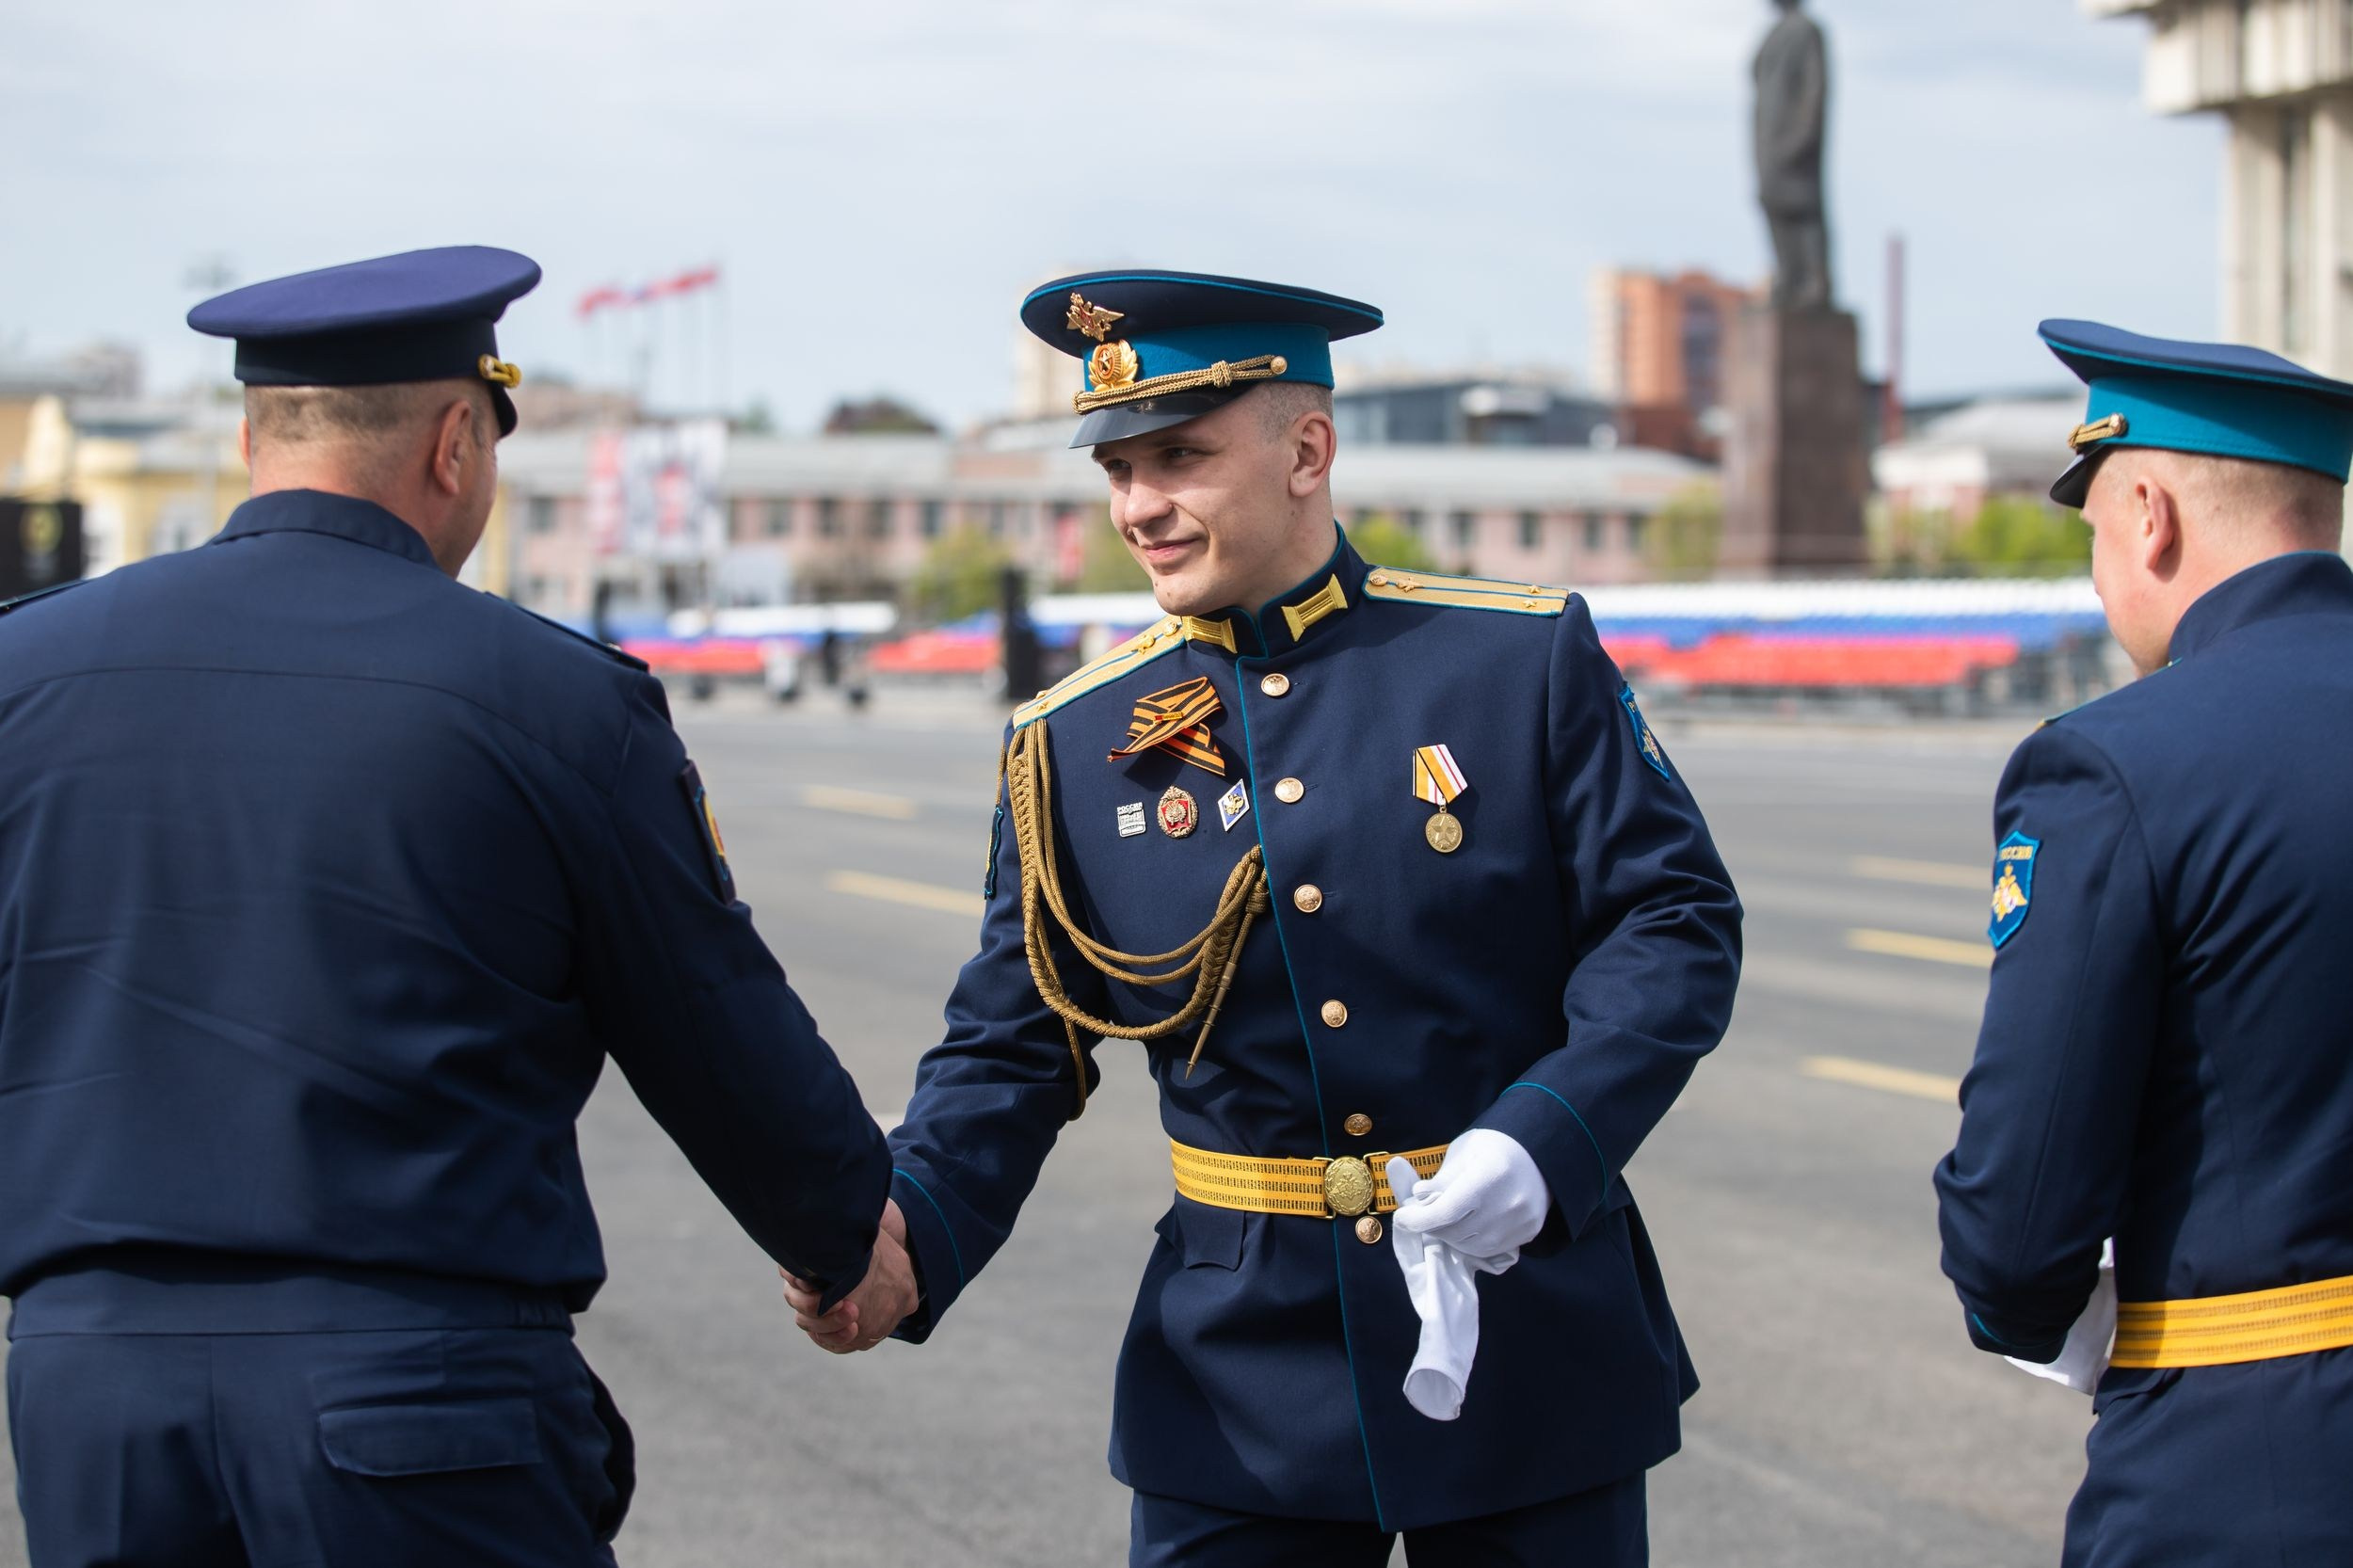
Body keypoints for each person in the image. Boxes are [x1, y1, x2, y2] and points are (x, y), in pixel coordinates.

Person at [787, 270, 1743, 1564]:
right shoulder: (1074, 746)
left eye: (1178, 457)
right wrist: (911, 1241)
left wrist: (1545, 1142)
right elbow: (1017, 1047)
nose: (1139, 507)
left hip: (1528, 1340)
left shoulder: (1515, 664)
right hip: (1240, 1381)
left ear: (1309, 448)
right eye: (1118, 469)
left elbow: (1672, 920)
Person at [0, 247, 909, 1568]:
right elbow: (711, 1021)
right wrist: (848, 1238)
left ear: (254, 434)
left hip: (93, 1398)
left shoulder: (23, 670)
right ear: (455, 443)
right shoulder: (554, 699)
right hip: (413, 1401)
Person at [1935, 320, 2353, 1565]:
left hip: (2258, 1463)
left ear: (2153, 516)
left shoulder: (2118, 762)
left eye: (2099, 533)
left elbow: (2017, 1223)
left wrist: (2032, 1306)